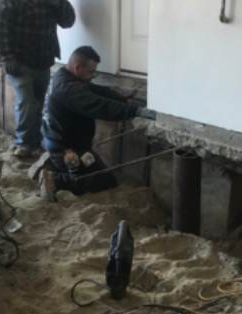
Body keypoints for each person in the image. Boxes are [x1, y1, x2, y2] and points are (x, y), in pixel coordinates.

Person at [38, 46, 157, 201]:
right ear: (77, 67)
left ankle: (55, 165)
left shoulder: (64, 76)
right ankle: (56, 179)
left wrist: (127, 101)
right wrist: (136, 111)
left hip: (62, 143)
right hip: (68, 151)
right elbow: (100, 105)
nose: (93, 76)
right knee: (104, 181)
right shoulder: (68, 89)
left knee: (97, 172)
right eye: (91, 72)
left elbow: (98, 91)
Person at [0, 0, 76, 158]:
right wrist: (5, 57)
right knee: (27, 102)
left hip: (43, 59)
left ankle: (34, 140)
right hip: (18, 61)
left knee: (38, 103)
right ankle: (24, 143)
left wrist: (60, 4)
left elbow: (68, 21)